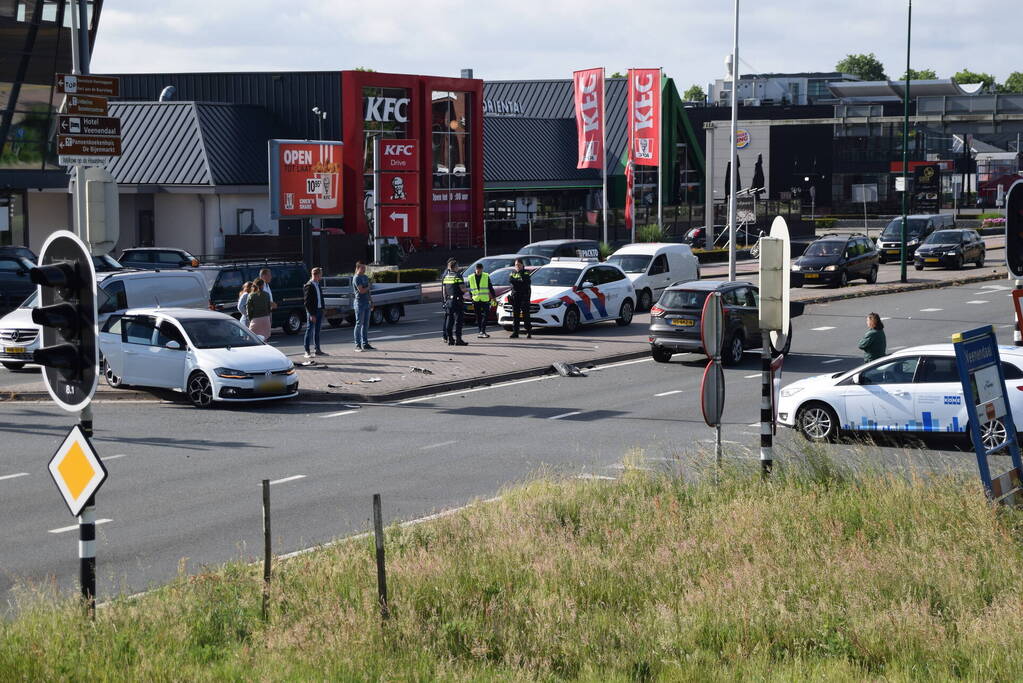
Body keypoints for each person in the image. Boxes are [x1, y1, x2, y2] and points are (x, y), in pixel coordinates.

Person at [441, 258, 468, 346]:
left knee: (450, 320)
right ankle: (458, 340)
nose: (458, 268)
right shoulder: (458, 276)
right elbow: (462, 289)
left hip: (449, 301)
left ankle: (450, 339)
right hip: (457, 301)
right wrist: (468, 290)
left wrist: (445, 301)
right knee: (458, 321)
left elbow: (444, 291)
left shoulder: (446, 277)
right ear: (455, 267)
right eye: (458, 266)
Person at [466, 262, 497, 338]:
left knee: (486, 315)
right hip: (476, 300)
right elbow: (469, 289)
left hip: (485, 299)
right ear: (475, 269)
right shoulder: (470, 277)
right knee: (478, 317)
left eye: (480, 269)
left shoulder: (486, 276)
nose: (478, 271)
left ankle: (482, 331)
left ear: (482, 269)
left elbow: (490, 287)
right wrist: (472, 298)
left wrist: (494, 297)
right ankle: (481, 331)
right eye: (477, 269)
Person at [303, 267, 327, 358]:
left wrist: (323, 308)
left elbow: (321, 297)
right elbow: (307, 302)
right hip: (313, 311)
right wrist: (311, 314)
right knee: (309, 330)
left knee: (317, 331)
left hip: (319, 310)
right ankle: (307, 351)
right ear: (316, 275)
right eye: (320, 274)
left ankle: (317, 349)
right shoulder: (309, 285)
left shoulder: (318, 284)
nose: (321, 276)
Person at [352, 261, 375, 351]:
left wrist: (371, 301)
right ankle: (357, 345)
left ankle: (365, 343)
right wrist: (369, 286)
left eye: (364, 268)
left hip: (366, 303)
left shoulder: (365, 277)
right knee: (359, 324)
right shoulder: (356, 278)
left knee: (366, 324)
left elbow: (368, 291)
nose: (364, 269)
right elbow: (361, 291)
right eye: (362, 268)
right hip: (359, 303)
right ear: (358, 268)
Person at [508, 258, 532, 339]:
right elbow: (510, 280)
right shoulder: (513, 272)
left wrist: (516, 281)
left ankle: (528, 331)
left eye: (519, 265)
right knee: (515, 316)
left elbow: (525, 283)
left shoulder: (526, 272)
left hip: (524, 297)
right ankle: (515, 332)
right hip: (515, 296)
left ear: (522, 265)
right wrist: (518, 281)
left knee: (526, 315)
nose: (517, 266)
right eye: (516, 265)